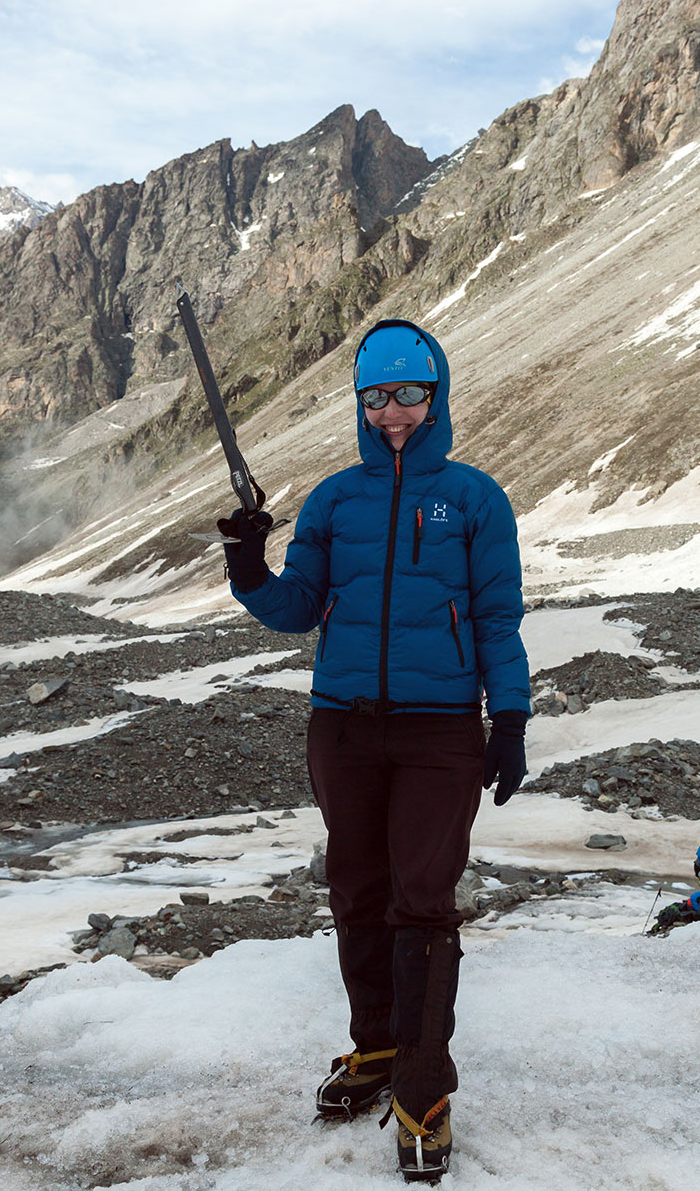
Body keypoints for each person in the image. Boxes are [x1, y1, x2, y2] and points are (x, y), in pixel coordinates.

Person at [219, 319, 530, 1182]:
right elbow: (295, 607)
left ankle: (424, 1093)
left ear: (437, 397)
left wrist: (507, 720)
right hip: (343, 726)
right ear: (359, 403)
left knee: (422, 901)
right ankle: (378, 1050)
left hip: (439, 733)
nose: (393, 412)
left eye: (410, 394)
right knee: (356, 891)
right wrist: (249, 563)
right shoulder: (332, 501)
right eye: (377, 396)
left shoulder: (474, 498)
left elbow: (499, 620)